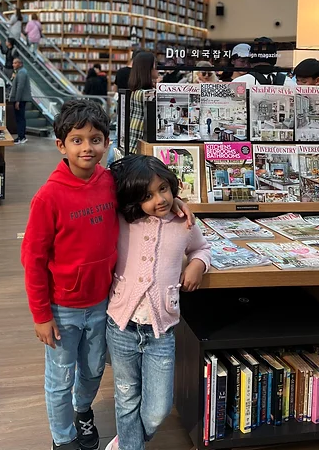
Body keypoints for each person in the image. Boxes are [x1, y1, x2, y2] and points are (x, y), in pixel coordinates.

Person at [21, 100, 196, 450]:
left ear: (106, 142)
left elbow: (144, 188)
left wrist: (174, 201)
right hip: (62, 307)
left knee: (92, 370)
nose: (87, 148)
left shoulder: (109, 181)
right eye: (77, 140)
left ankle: (82, 410)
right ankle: (63, 438)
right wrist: (41, 315)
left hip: (104, 302)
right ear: (61, 145)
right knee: (60, 376)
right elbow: (33, 260)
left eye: (95, 139)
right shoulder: (48, 197)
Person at [105, 155, 210, 450]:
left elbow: (202, 248)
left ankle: (128, 439)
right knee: (126, 396)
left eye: (163, 189)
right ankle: (129, 446)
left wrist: (197, 264)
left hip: (161, 330)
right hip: (121, 326)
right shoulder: (122, 219)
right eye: (147, 195)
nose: (159, 199)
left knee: (158, 409)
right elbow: (105, 183)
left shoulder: (183, 223)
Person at [127, 51, 159, 154]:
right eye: (155, 65)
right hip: (142, 141)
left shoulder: (136, 92)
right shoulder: (148, 94)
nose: (158, 68)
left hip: (133, 139)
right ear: (148, 68)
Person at [9, 57, 31, 144]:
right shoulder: (18, 72)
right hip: (20, 98)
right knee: (19, 118)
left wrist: (17, 100)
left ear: (20, 64)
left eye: (15, 63)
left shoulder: (22, 72)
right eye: (13, 63)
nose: (13, 65)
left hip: (20, 99)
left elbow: (20, 87)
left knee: (20, 118)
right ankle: (21, 136)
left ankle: (21, 136)